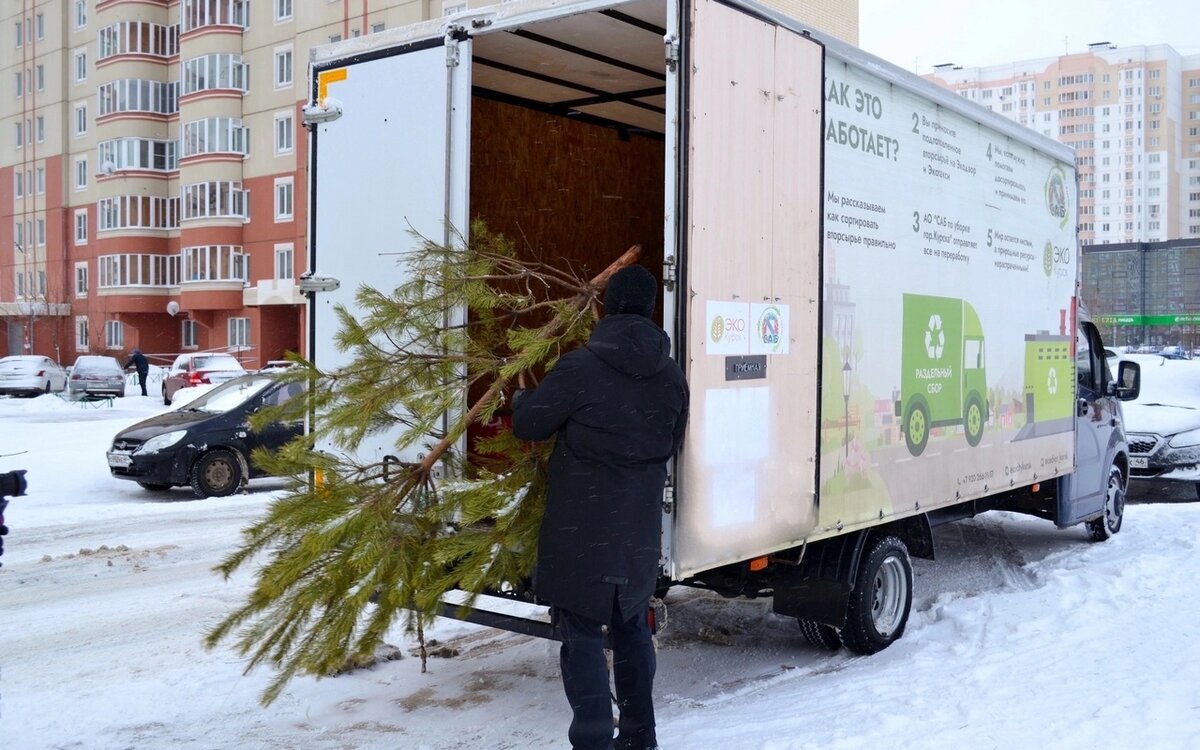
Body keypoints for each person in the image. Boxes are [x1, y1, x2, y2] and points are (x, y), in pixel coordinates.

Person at [512, 264, 689, 750]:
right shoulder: (672, 378)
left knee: (584, 634)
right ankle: (639, 737)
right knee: (632, 629)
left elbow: (529, 425)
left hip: (580, 529)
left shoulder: (579, 368)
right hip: (635, 531)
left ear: (608, 307)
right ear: (650, 310)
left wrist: (522, 395)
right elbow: (671, 442)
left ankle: (592, 741)